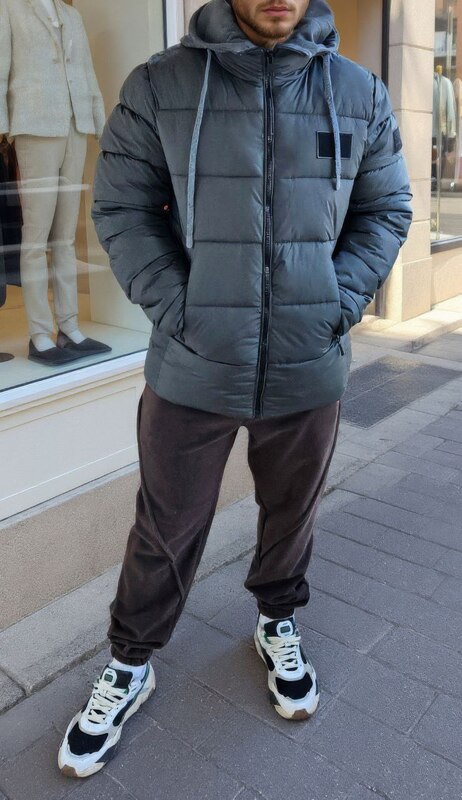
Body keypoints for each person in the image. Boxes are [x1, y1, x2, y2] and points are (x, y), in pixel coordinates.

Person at [58, 0, 413, 778]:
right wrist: (184, 312)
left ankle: (277, 619)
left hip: (307, 364)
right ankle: (131, 661)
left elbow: (385, 209)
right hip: (192, 366)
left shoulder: (359, 93)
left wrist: (335, 304)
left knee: (292, 513)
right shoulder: (161, 84)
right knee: (166, 526)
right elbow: (122, 208)